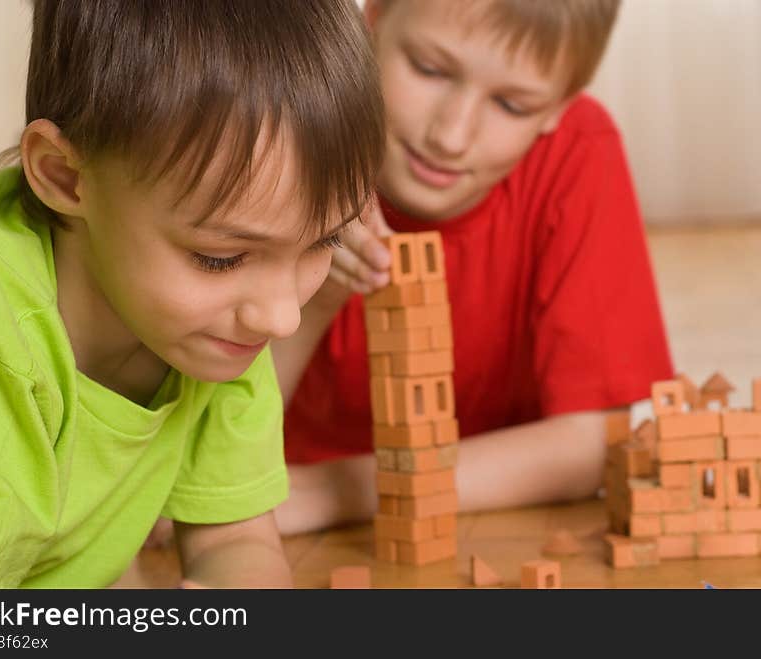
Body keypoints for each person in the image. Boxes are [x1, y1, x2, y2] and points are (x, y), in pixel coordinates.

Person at [0, 0, 384, 587]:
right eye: (220, 258)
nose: (282, 316)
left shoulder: (221, 324)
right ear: (65, 176)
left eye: (325, 239)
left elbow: (236, 538)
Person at [272, 0, 674, 535]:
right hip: (272, 501)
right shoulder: (282, 130)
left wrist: (339, 490)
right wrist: (318, 293)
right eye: (430, 69)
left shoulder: (578, 152)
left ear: (560, 106)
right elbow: (202, 439)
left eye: (512, 104)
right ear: (371, 22)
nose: (451, 137)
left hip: (481, 514)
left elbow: (593, 443)